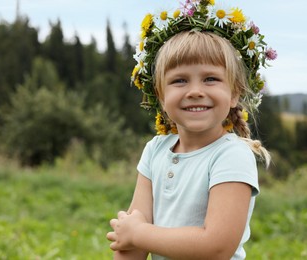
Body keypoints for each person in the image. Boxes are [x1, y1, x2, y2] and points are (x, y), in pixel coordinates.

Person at [107, 1, 277, 259]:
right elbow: (132, 242)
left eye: (210, 79)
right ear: (161, 97)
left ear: (234, 94)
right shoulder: (156, 150)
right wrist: (133, 236)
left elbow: (216, 246)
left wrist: (138, 233)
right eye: (179, 80)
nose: (195, 91)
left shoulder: (230, 155)